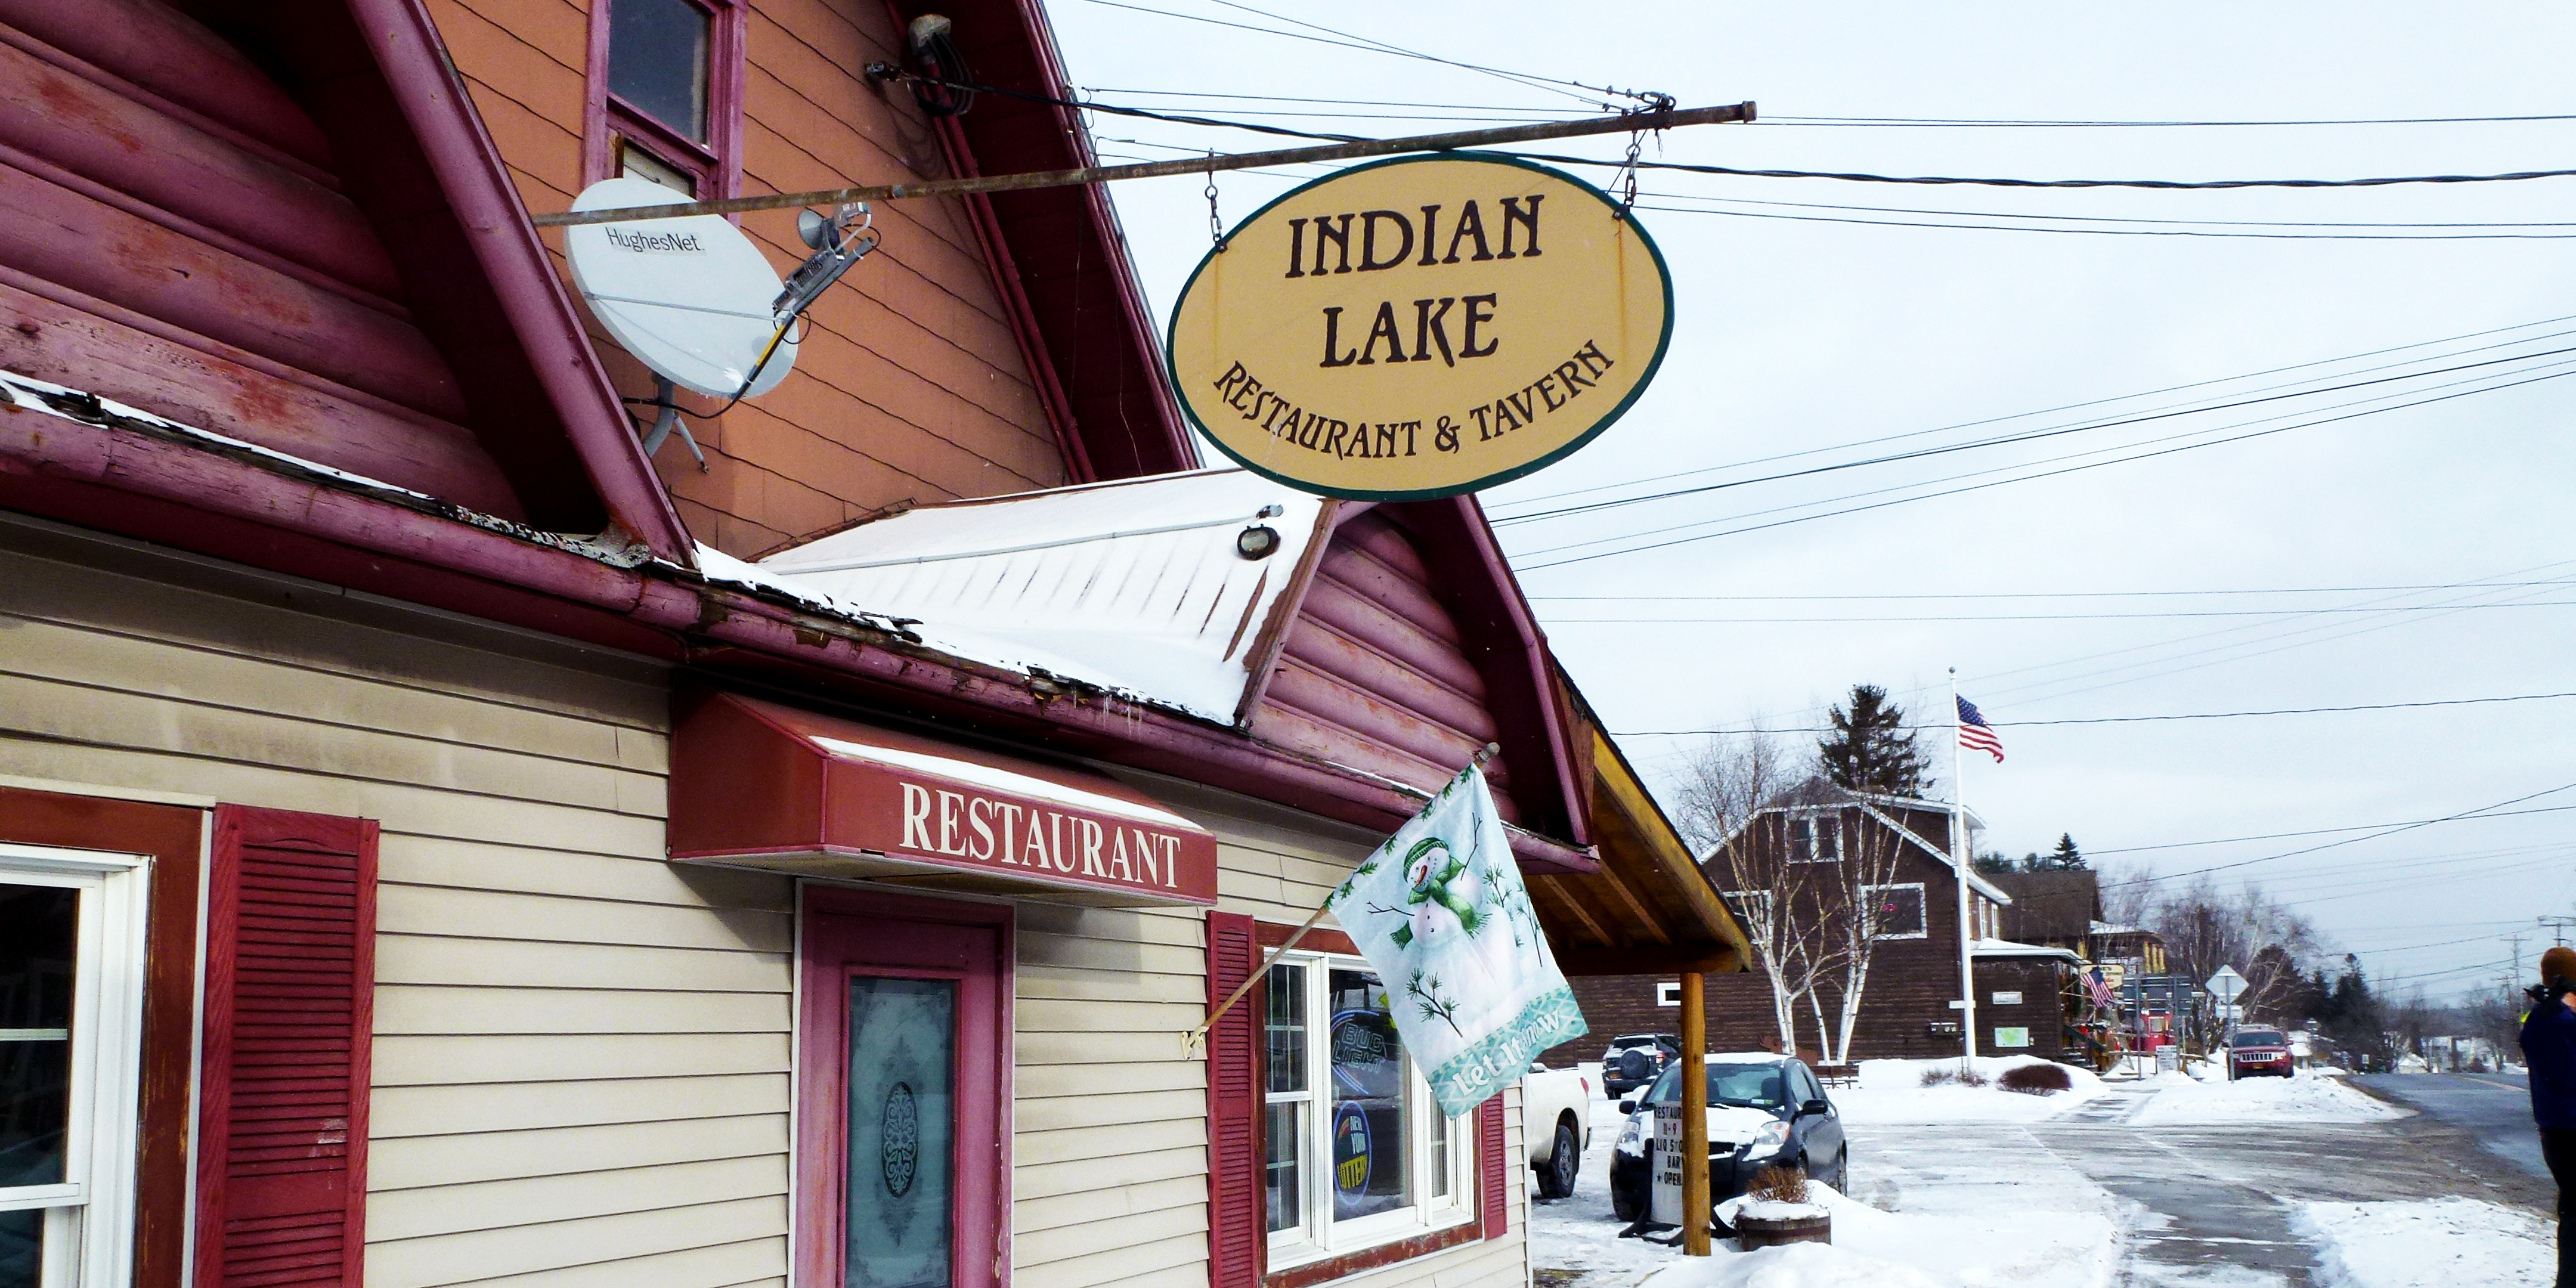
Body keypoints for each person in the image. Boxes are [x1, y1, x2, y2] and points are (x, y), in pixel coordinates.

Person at [2521, 945, 2576, 1287]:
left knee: (2572, 1213)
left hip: (2555, 1131)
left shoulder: (2540, 1020)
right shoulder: (2561, 1024)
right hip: (2572, 1129)